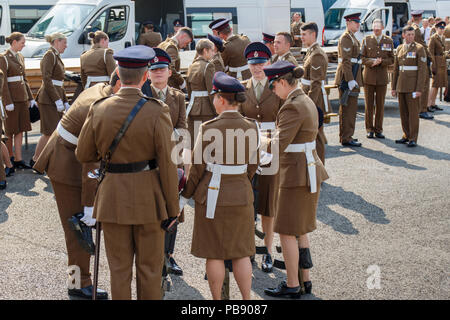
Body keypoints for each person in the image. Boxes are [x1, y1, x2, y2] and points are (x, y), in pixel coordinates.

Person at [76, 45, 179, 300]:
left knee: (119, 270)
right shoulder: (157, 110)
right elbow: (167, 164)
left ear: (119, 76)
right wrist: (173, 208)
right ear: (145, 76)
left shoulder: (99, 108)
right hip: (150, 200)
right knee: (150, 271)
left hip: (112, 198)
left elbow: (83, 154)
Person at [33, 71, 121, 299]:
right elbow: (90, 162)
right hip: (67, 168)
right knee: (78, 232)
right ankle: (77, 284)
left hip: (68, 158)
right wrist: (90, 206)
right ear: (119, 83)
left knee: (77, 232)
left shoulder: (104, 90)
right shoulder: (100, 105)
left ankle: (77, 281)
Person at [179, 71, 260, 300]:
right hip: (241, 194)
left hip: (212, 196)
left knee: (214, 253)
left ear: (222, 99)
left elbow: (196, 169)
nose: (213, 100)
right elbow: (253, 165)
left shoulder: (208, 127)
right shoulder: (252, 127)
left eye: (215, 96)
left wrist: (184, 197)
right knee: (241, 252)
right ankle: (247, 301)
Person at [262, 61, 328, 298]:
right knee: (300, 229)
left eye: (273, 85)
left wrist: (259, 140)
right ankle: (305, 279)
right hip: (307, 169)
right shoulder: (304, 99)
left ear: (281, 82)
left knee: (287, 230)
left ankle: (292, 283)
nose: (273, 91)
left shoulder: (291, 106)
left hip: (296, 174)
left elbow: (279, 144)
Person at [239, 42, 282, 273]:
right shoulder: (240, 88)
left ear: (268, 63)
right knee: (247, 202)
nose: (257, 68)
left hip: (271, 149)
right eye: (253, 64)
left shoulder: (276, 87)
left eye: (261, 63)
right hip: (247, 149)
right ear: (248, 64)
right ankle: (248, 250)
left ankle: (266, 249)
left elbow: (284, 118)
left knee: (267, 204)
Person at [147, 47, 187, 276]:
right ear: (148, 73)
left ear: (170, 72)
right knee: (152, 207)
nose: (158, 73)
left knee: (174, 208)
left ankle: (169, 255)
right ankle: (153, 254)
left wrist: (169, 138)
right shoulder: (143, 94)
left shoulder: (178, 97)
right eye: (154, 70)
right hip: (150, 159)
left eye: (162, 69)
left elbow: (183, 126)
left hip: (173, 158)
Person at [31, 33, 69, 167]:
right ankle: (36, 159)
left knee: (53, 131)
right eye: (64, 42)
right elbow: (47, 80)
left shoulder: (55, 56)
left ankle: (43, 160)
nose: (66, 45)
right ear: (57, 42)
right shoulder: (50, 55)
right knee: (49, 132)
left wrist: (64, 100)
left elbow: (59, 82)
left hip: (53, 98)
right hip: (48, 99)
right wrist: (57, 100)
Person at [0, 32, 34, 170]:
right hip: (11, 100)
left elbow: (24, 79)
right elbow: (3, 83)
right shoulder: (3, 58)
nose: (24, 44)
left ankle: (19, 159)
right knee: (9, 131)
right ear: (14, 42)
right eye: (22, 42)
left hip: (22, 98)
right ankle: (10, 159)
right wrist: (7, 101)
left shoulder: (20, 56)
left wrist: (30, 98)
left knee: (20, 129)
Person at [391, 26, 427, 148]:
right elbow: (396, 69)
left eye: (412, 34)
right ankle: (406, 135)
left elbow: (422, 71)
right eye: (409, 34)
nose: (411, 36)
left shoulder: (419, 48)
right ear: (403, 35)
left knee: (413, 113)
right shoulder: (400, 48)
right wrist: (393, 87)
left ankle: (413, 137)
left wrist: (419, 89)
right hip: (401, 85)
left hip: (412, 87)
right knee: (403, 112)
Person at [300, 22, 329, 164]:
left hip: (315, 100)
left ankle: (320, 170)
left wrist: (309, 105)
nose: (301, 37)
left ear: (313, 34)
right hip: (311, 97)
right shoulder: (311, 51)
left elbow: (315, 83)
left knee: (317, 136)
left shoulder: (316, 54)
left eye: (304, 34)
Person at [361, 19, 394, 139]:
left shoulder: (388, 41)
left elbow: (392, 59)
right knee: (368, 104)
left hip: (381, 77)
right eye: (374, 28)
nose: (376, 30)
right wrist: (371, 62)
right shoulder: (366, 40)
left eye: (378, 28)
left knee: (380, 105)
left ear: (382, 28)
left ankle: (378, 129)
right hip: (369, 76)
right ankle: (369, 129)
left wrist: (381, 62)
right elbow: (362, 58)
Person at [334, 13, 363, 147]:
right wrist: (350, 80)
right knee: (347, 108)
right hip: (347, 76)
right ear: (348, 23)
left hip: (352, 74)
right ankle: (346, 137)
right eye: (355, 22)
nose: (358, 24)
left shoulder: (352, 37)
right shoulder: (346, 38)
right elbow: (346, 61)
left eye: (358, 22)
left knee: (350, 108)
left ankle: (347, 135)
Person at [186, 39, 216, 151]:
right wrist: (217, 110)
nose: (213, 53)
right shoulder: (209, 66)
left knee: (195, 143)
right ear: (205, 50)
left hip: (193, 108)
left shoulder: (192, 66)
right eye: (212, 51)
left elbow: (189, 90)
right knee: (208, 144)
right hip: (207, 110)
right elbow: (211, 91)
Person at [411, 10, 434, 120]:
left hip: (415, 58)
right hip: (421, 59)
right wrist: (430, 57)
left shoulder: (411, 27)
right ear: (420, 18)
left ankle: (419, 108)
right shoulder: (416, 30)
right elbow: (422, 46)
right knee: (424, 85)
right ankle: (422, 110)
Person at [428, 21, 450, 110]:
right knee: (434, 84)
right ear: (436, 28)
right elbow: (430, 52)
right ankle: (428, 104)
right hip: (436, 63)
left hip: (442, 63)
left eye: (443, 28)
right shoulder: (433, 38)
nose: (442, 30)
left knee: (438, 84)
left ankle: (433, 103)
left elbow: (443, 51)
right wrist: (433, 65)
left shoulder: (443, 37)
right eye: (440, 28)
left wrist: (447, 53)